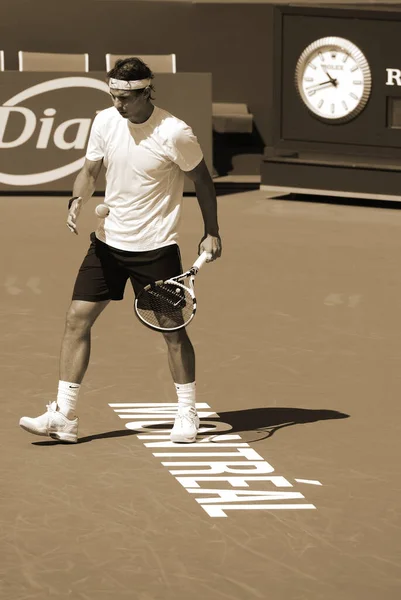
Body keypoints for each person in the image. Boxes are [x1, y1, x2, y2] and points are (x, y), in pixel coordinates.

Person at [19, 57, 222, 444]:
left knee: (173, 332)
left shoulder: (174, 132)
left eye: (125, 98)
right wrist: (77, 199)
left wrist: (211, 232)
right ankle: (64, 415)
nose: (118, 105)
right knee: (76, 320)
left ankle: (187, 411)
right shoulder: (105, 121)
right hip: (108, 245)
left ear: (146, 93)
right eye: (113, 95)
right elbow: (90, 169)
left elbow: (204, 181)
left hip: (156, 249)